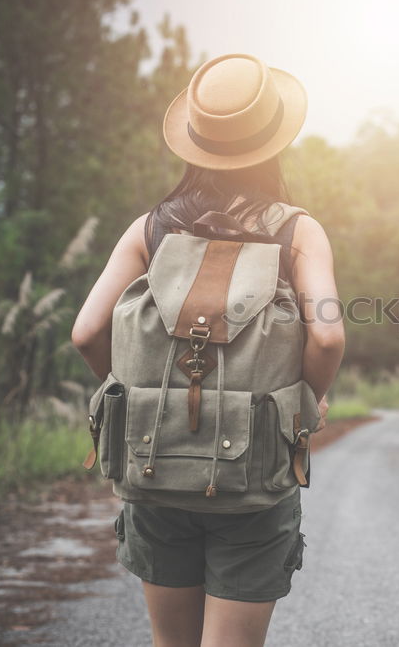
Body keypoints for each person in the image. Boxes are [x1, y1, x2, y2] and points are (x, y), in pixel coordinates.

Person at [71, 53, 345, 647]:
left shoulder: (149, 230)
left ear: (193, 144)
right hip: (253, 481)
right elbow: (327, 333)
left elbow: (86, 332)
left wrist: (134, 392)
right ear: (273, 142)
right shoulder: (298, 232)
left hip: (153, 466)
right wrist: (307, 403)